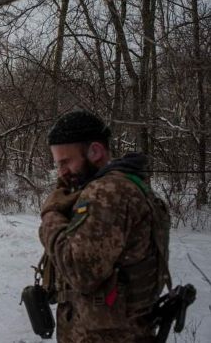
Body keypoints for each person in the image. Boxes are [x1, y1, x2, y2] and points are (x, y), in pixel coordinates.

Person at [39, 110, 170, 343]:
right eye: (58, 165)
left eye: (66, 162)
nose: (62, 173)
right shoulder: (131, 184)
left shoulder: (107, 192)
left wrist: (51, 214)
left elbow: (80, 271)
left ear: (95, 151)